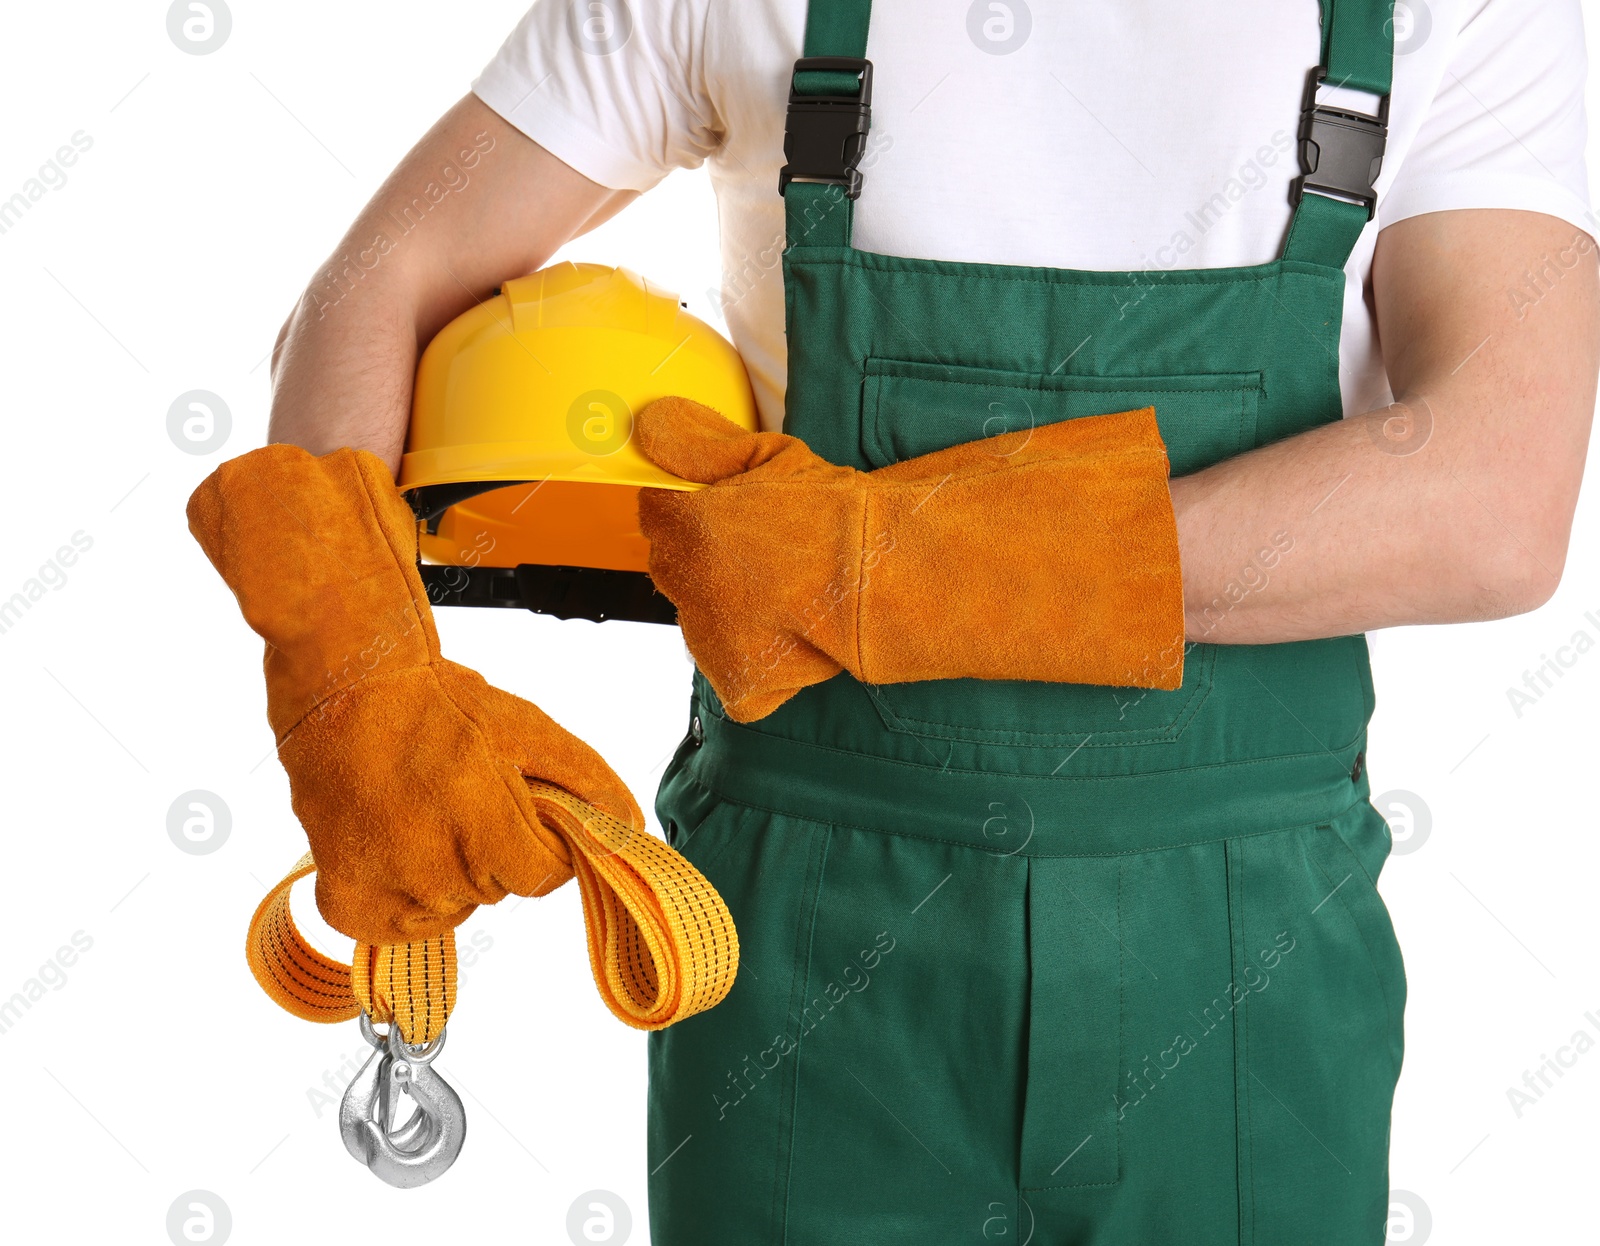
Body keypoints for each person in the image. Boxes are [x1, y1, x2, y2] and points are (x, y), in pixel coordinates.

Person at [210, 1, 1597, 1242]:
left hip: (1241, 963)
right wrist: (354, 677)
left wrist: (878, 564)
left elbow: (1492, 497)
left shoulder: (1453, 14)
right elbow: (374, 283)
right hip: (804, 951)